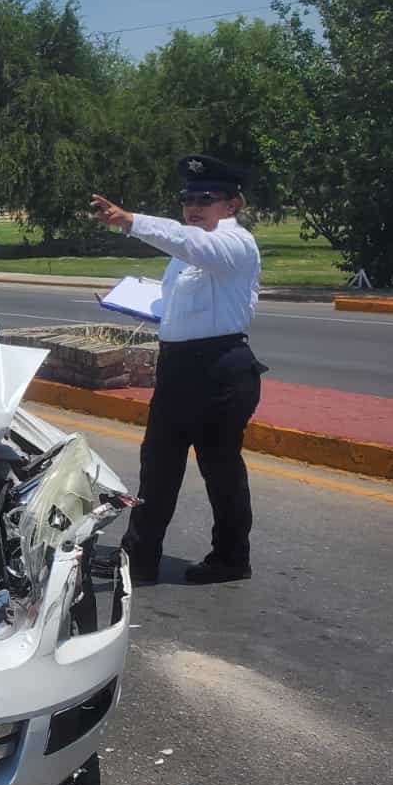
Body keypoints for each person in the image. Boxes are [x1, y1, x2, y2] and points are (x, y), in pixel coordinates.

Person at [90, 155, 267, 585]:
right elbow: (184, 302)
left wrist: (131, 221)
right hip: (180, 368)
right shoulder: (190, 251)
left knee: (220, 470)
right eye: (188, 198)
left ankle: (230, 558)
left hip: (220, 369)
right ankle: (141, 558)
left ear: (232, 204)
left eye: (206, 198)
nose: (193, 206)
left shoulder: (233, 243)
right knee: (158, 466)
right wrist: (142, 304)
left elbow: (188, 244)